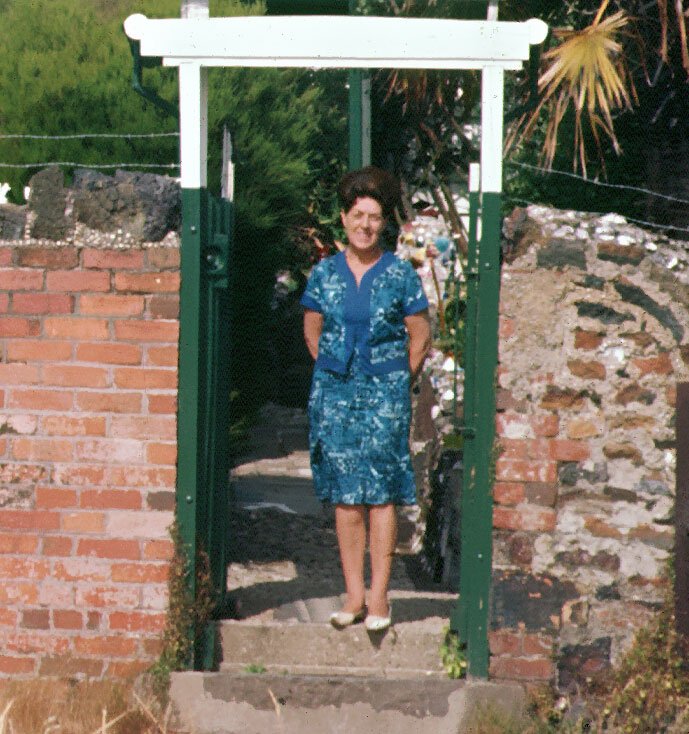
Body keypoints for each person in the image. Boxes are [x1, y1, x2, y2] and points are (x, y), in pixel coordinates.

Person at [300, 166, 431, 632]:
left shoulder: (399, 275)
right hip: (335, 396)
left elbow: (420, 335)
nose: (365, 225)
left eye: (374, 217)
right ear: (344, 217)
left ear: (384, 223)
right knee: (345, 498)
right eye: (358, 215)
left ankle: (379, 597)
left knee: (380, 497)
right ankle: (353, 593)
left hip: (385, 399)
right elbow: (312, 332)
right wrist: (339, 374)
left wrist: (395, 381)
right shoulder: (324, 274)